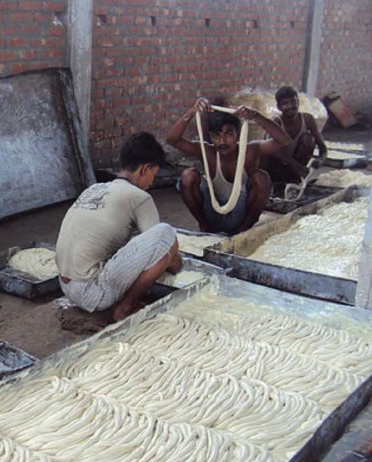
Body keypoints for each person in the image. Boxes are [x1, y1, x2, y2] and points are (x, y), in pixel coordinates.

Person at [55, 132, 183, 322]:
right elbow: (163, 244)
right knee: (166, 233)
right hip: (92, 294)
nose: (152, 182)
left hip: (65, 287)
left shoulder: (94, 189)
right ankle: (125, 308)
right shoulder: (139, 197)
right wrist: (175, 262)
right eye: (153, 175)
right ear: (144, 169)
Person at [167, 97, 291, 234]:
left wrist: (255, 116)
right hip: (211, 214)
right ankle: (205, 227)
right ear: (210, 136)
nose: (222, 141)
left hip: (240, 215)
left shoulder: (249, 151)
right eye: (216, 136)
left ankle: (242, 232)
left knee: (262, 178)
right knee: (187, 176)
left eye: (228, 134)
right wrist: (191, 112)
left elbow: (283, 141)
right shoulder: (207, 152)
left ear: (237, 135)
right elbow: (172, 139)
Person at [260, 86, 328, 184]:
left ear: (298, 102)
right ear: (279, 107)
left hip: (296, 169)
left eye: (293, 102)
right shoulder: (276, 123)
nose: (290, 106)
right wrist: (294, 165)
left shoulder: (307, 119)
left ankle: (295, 179)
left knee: (308, 139)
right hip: (277, 168)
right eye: (285, 104)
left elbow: (323, 148)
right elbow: (269, 151)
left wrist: (320, 160)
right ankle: (274, 182)